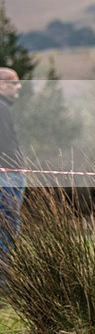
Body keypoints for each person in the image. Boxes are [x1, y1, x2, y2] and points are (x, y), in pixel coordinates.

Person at [0, 67, 24, 273]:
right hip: (7, 177)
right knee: (7, 226)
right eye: (14, 83)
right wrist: (18, 168)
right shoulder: (2, 108)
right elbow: (7, 145)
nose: (19, 86)